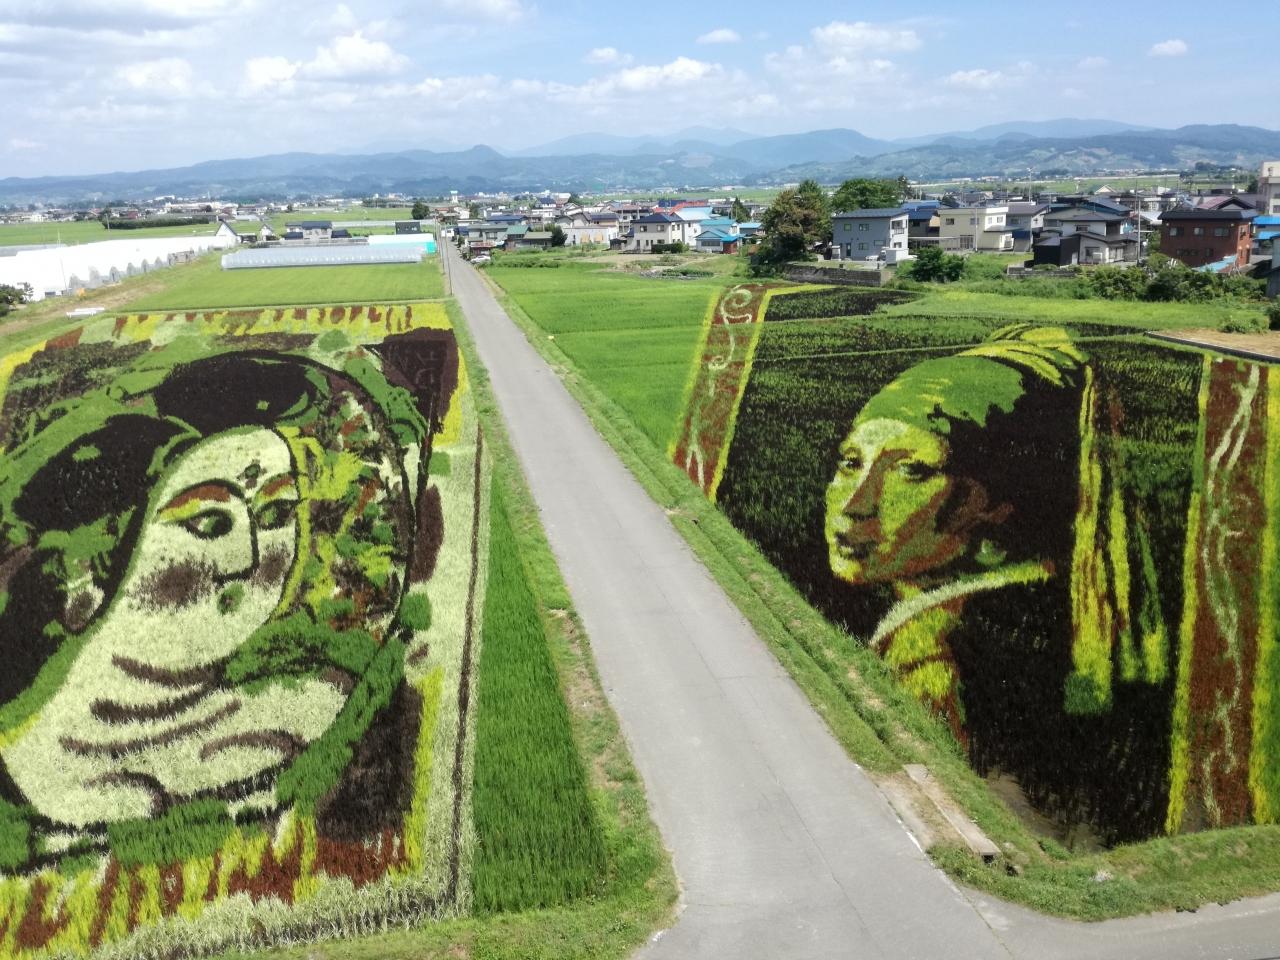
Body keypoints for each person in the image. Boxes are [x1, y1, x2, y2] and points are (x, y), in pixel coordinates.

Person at [0, 346, 432, 866]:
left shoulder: (299, 703)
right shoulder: (48, 771)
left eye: (275, 513)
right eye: (208, 522)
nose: (249, 559)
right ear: (90, 567)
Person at [824, 324, 1087, 741]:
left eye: (911, 471)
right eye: (851, 463)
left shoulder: (937, 655)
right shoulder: (936, 622)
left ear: (993, 506)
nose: (855, 504)